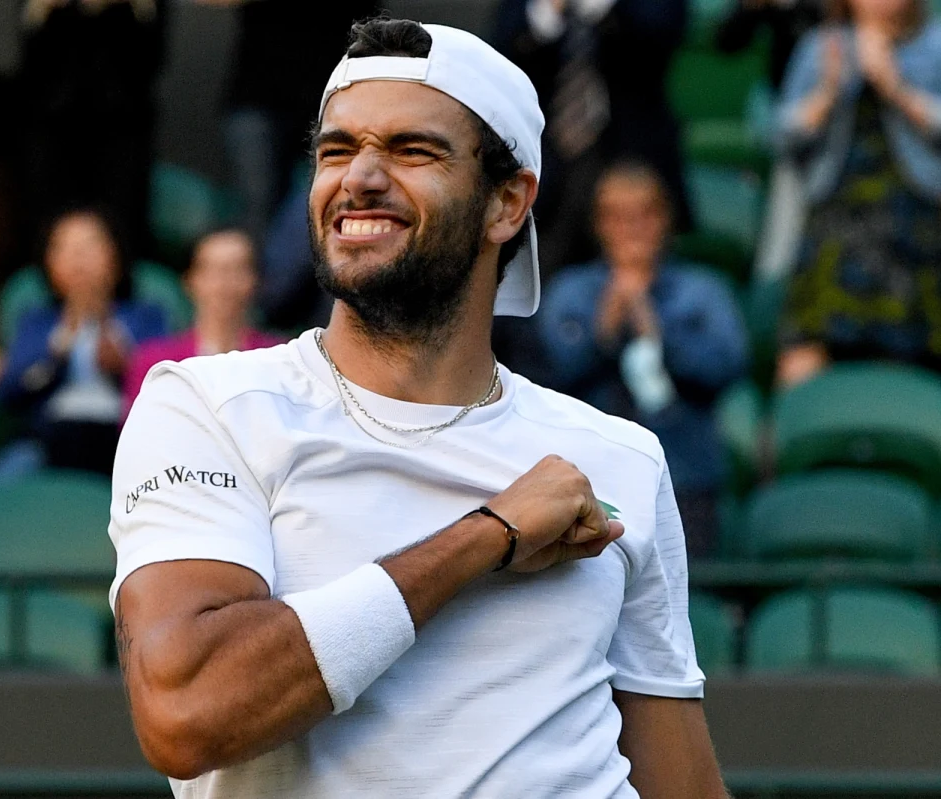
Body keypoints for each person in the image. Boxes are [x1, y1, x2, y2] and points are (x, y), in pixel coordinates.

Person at [110, 18, 726, 798]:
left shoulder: (620, 459)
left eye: (412, 150)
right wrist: (486, 538)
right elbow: (185, 711)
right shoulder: (208, 406)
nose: (359, 177)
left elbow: (687, 786)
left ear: (508, 202)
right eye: (337, 150)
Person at [540, 162, 749, 558]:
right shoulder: (572, 291)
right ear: (598, 224)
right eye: (617, 216)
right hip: (591, 477)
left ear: (666, 218)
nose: (632, 228)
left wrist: (660, 336)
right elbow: (550, 371)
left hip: (684, 473)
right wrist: (605, 330)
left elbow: (728, 365)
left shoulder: (702, 290)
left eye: (645, 214)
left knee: (687, 599)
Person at [775, 0, 941, 386]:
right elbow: (781, 137)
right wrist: (829, 91)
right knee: (803, 356)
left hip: (917, 227)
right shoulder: (822, 47)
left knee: (902, 373)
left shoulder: (934, 45)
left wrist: (893, 86)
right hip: (834, 226)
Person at [494, 0, 692, 280]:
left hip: (630, 161)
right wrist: (548, 12)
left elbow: (661, 32)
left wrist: (595, 5)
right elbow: (501, 54)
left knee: (639, 277)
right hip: (549, 172)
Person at [0, 208, 165, 482]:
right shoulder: (37, 321)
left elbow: (164, 386)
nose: (79, 258)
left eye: (90, 245)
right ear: (49, 262)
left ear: (116, 256)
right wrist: (58, 348)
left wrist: (123, 363)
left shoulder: (145, 317)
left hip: (125, 438)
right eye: (66, 248)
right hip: (49, 440)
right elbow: (8, 391)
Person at [190, 0, 380, 250]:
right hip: (259, 92)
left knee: (345, 203)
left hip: (341, 94)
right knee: (258, 212)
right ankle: (259, 288)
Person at [19, 0, 168, 259]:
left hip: (123, 121)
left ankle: (120, 291)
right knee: (45, 217)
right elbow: (28, 53)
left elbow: (154, 55)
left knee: (124, 219)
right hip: (52, 120)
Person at [121, 229, 282, 415]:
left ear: (256, 280)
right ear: (190, 280)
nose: (225, 282)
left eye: (238, 269)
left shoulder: (278, 360)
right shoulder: (155, 362)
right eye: (214, 270)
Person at [716, 0, 826, 89]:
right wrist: (749, 8)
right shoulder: (767, 7)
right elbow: (726, 43)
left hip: (826, 89)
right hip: (776, 90)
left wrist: (790, 7)